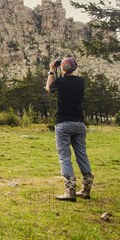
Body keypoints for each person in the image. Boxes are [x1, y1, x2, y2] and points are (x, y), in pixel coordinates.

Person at [45, 57, 93, 201]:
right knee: (82, 155)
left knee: (65, 156)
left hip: (63, 123)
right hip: (79, 123)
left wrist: (52, 70)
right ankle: (86, 189)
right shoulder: (80, 81)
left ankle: (70, 191)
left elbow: (48, 88)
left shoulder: (60, 81)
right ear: (74, 68)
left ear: (63, 69)